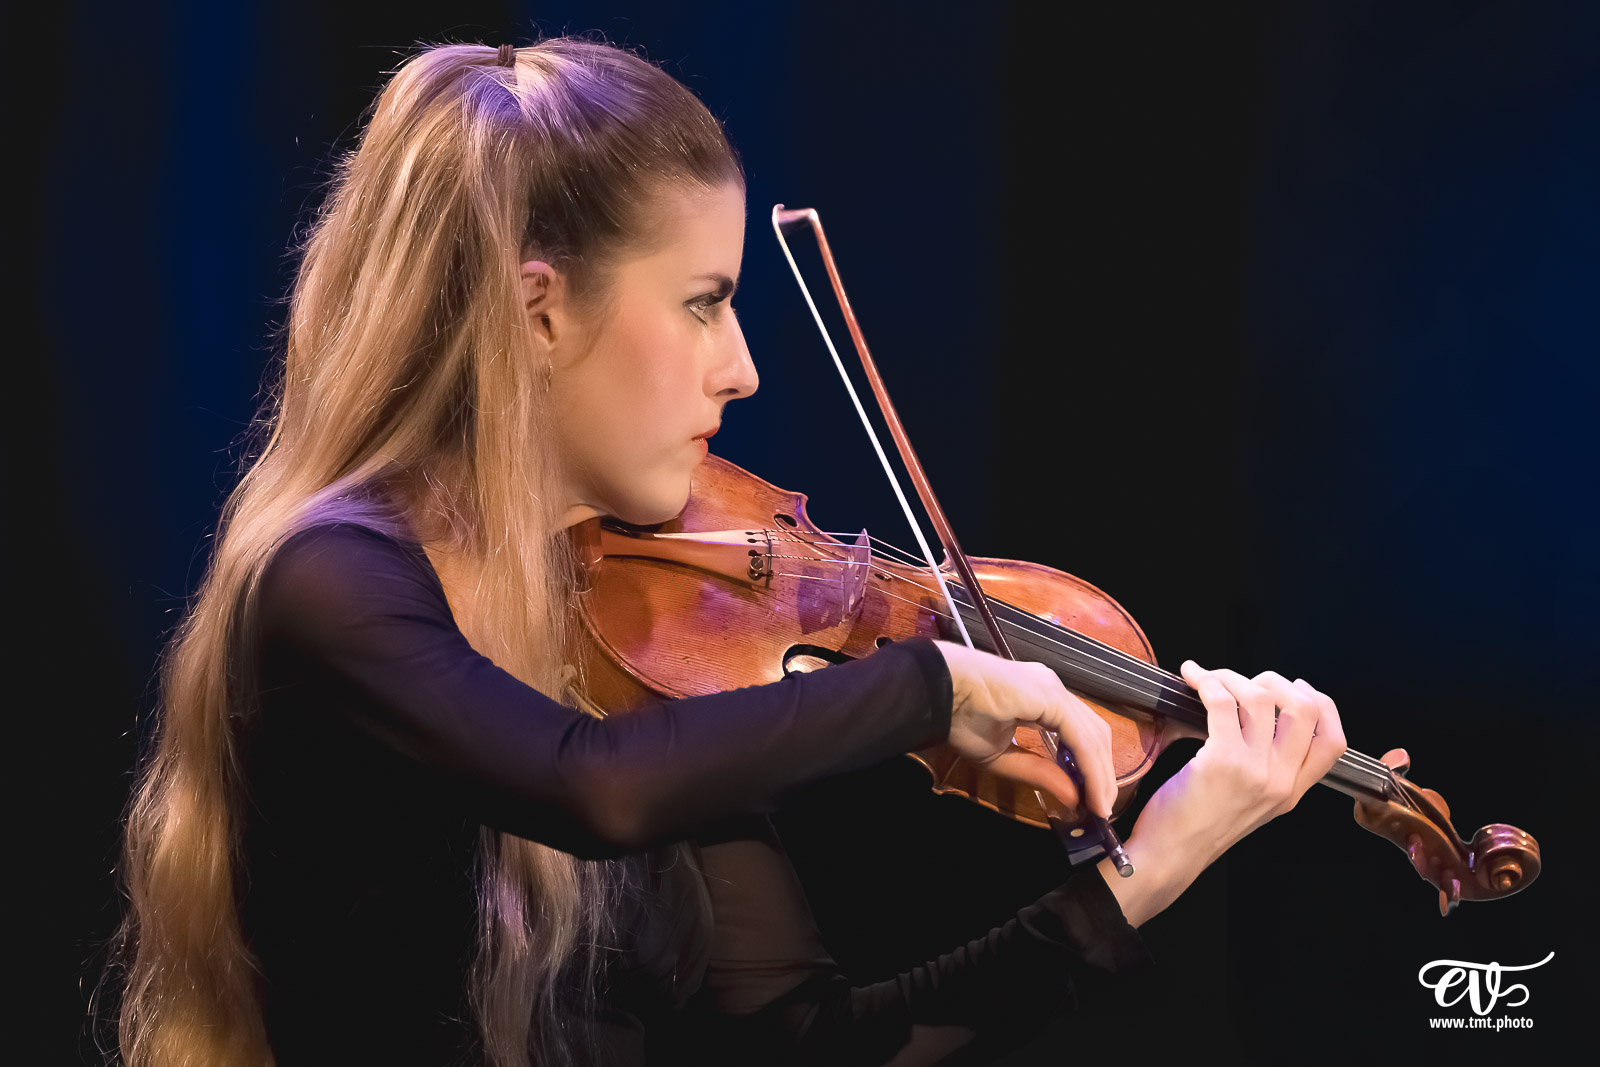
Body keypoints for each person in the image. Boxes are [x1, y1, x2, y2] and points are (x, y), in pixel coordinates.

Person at [108, 37, 1346, 1067]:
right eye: (703, 299)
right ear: (540, 311)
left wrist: (1158, 856)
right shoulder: (332, 581)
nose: (742, 364)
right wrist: (936, 682)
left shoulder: (650, 647)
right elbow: (589, 784)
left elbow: (805, 1047)